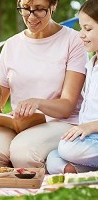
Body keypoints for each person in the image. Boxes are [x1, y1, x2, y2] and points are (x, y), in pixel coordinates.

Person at [0, 0, 87, 169]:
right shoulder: (12, 45)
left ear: (53, 5)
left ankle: (56, 165)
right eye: (25, 8)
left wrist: (37, 103)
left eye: (39, 9)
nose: (31, 16)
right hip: (19, 124)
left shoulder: (73, 41)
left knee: (23, 154)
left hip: (61, 122)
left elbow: (67, 106)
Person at [46, 0, 98, 174]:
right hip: (91, 139)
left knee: (67, 148)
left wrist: (89, 127)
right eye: (81, 28)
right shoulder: (91, 64)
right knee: (53, 158)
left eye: (88, 29)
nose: (81, 34)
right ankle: (86, 169)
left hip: (93, 133)